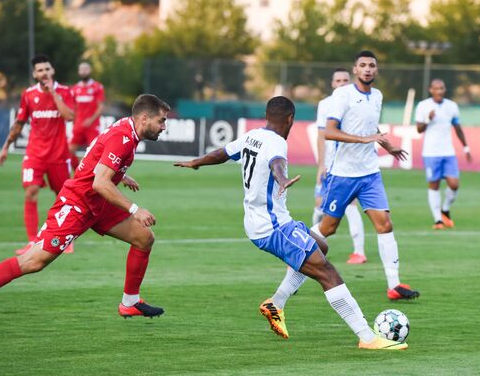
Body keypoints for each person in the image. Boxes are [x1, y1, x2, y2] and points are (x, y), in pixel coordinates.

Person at [174, 96, 407, 350]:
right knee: (327, 273)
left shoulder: (253, 135)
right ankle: (367, 337)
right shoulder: (276, 143)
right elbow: (276, 162)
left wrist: (197, 161)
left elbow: (224, 153)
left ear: (266, 115)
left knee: (321, 246)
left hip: (261, 222)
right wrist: (282, 178)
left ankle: (277, 302)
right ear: (290, 119)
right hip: (273, 228)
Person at [0, 94, 170, 335]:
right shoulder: (124, 137)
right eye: (161, 121)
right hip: (78, 205)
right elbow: (99, 183)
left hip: (99, 204)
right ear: (144, 118)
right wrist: (135, 209)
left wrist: (119, 174)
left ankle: (130, 303)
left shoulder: (126, 128)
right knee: (34, 261)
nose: (164, 127)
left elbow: (95, 153)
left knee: (144, 238)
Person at [260, 51, 420, 338]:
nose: (368, 69)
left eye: (372, 65)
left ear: (377, 70)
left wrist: (385, 144)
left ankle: (394, 285)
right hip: (343, 174)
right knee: (324, 233)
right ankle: (282, 292)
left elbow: (371, 128)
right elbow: (330, 132)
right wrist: (365, 139)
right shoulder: (342, 96)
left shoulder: (378, 96)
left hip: (370, 174)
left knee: (385, 223)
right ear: (355, 69)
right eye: (363, 65)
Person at [0, 54, 75, 255]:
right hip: (35, 155)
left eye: (47, 69)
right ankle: (32, 241)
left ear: (53, 71)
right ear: (34, 74)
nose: (44, 73)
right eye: (40, 70)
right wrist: (6, 146)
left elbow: (69, 116)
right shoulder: (28, 95)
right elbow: (19, 123)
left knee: (64, 197)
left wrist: (54, 94)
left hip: (59, 155)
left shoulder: (65, 91)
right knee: (31, 191)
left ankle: (65, 237)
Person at [314, 68, 366, 264]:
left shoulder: (357, 101)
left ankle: (359, 252)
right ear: (333, 83)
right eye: (338, 80)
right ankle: (314, 249)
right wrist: (321, 164)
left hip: (349, 166)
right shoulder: (325, 104)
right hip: (329, 164)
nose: (342, 83)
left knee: (351, 206)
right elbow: (321, 136)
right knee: (319, 205)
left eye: (345, 80)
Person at [415, 79, 472, 229]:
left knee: (454, 184)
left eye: (441, 88)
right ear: (430, 90)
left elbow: (457, 127)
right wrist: (428, 118)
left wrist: (466, 148)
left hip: (448, 152)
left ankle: (445, 209)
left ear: (444, 89)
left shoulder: (452, 106)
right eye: (436, 88)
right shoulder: (423, 106)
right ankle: (438, 220)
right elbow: (419, 129)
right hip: (431, 152)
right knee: (434, 185)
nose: (439, 91)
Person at [69, 62, 105, 171]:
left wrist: (91, 120)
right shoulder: (74, 89)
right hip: (78, 125)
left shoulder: (97, 87)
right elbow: (72, 108)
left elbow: (101, 107)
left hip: (92, 126)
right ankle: (79, 170)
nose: (84, 71)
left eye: (86, 69)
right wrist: (74, 121)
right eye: (81, 69)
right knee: (68, 151)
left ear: (90, 71)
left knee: (94, 152)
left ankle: (93, 174)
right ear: (78, 72)